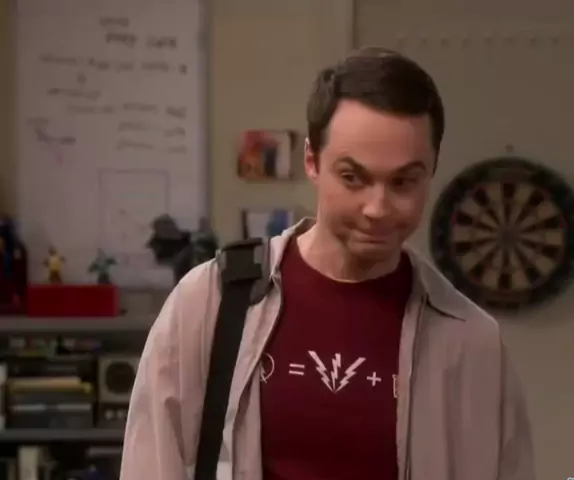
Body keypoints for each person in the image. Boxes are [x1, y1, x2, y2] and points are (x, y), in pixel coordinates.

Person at [120, 47, 535, 480]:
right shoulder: (210, 303)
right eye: (353, 178)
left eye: (403, 182)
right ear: (312, 161)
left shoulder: (472, 343)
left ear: (431, 171)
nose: (377, 209)